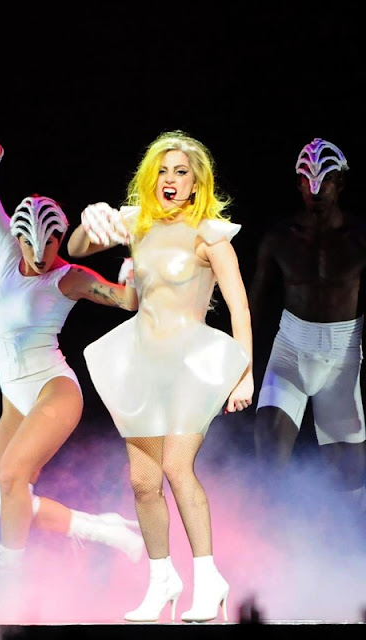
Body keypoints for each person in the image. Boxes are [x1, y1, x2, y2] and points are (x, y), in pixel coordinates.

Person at [67, 130, 254, 623]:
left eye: (181, 171)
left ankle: (209, 579)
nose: (170, 179)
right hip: (142, 362)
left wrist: (245, 375)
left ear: (196, 182)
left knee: (176, 466)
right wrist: (90, 218)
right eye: (163, 171)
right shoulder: (138, 223)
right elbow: (78, 247)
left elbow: (239, 307)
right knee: (143, 481)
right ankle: (162, 579)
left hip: (191, 365)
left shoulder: (210, 235)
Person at [0, 136, 144, 574]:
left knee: (12, 479)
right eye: (30, 244)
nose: (40, 254)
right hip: (14, 396)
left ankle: (10, 580)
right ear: (18, 237)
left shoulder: (70, 276)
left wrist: (133, 269)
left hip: (54, 390)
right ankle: (107, 531)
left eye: (50, 243)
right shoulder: (7, 253)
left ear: (60, 237)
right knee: (4, 498)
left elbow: (127, 301)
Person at [249, 137, 366, 511]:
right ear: (298, 183)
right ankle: (270, 540)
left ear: (340, 182)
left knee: (351, 484)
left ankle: (344, 544)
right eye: (307, 179)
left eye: (325, 179)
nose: (315, 189)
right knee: (268, 460)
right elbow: (252, 303)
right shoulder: (280, 238)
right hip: (290, 352)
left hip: (343, 360)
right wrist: (238, 365)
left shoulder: (360, 237)